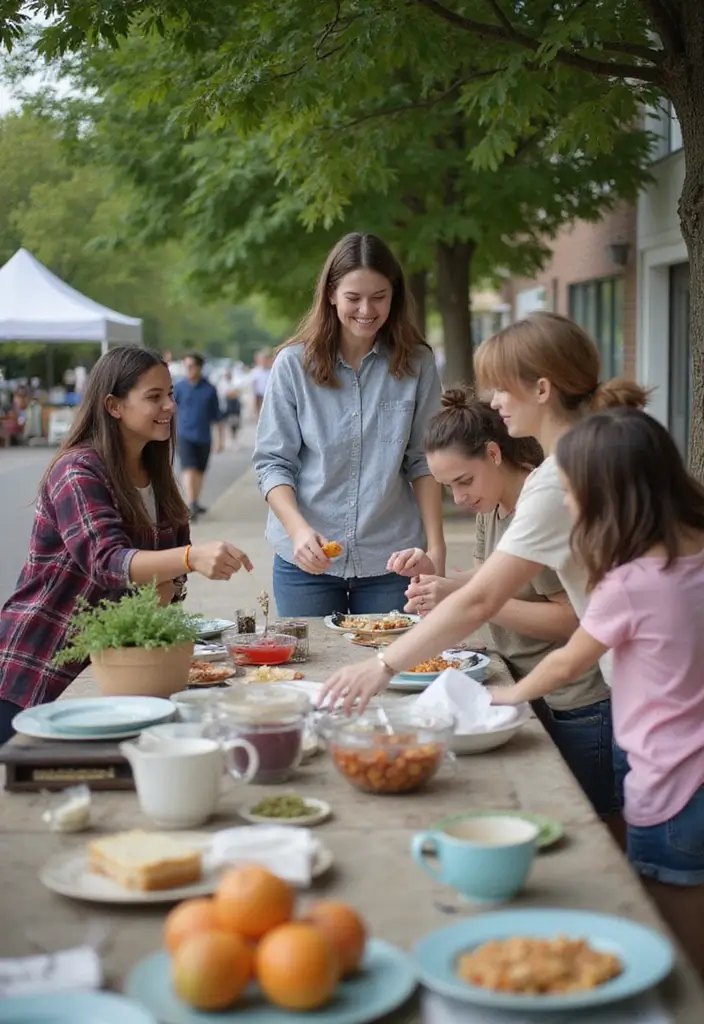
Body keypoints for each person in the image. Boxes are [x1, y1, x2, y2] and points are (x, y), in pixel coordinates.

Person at [321, 312, 648, 817]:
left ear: (542, 389)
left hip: (630, 695)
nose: (493, 401)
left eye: (500, 388)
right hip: (637, 684)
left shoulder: (556, 481)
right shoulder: (599, 453)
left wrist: (384, 664)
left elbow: (485, 598)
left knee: (640, 857)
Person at [489, 409, 704, 973]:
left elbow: (564, 664)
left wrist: (506, 699)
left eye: (569, 493)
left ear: (609, 496)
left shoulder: (628, 585)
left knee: (672, 938)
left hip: (669, 783)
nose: (569, 506)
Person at [0, 347, 252, 745]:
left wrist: (173, 582)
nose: (169, 405)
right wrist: (190, 557)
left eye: (170, 393)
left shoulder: (157, 474)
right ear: (114, 405)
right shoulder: (77, 470)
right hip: (41, 666)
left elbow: (163, 589)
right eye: (154, 397)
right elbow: (106, 561)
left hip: (119, 673)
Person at [253, 231, 445, 618]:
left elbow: (424, 460)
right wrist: (299, 531)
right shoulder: (293, 365)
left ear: (395, 295)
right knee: (309, 673)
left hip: (392, 561)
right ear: (330, 294)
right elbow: (273, 463)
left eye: (379, 297)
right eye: (353, 298)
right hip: (305, 562)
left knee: (389, 669)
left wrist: (436, 547)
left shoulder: (417, 364)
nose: (366, 310)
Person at [174, 353, 222, 520]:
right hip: (184, 435)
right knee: (189, 469)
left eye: (191, 366)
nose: (188, 370)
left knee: (200, 470)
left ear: (199, 367)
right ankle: (191, 503)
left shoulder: (209, 389)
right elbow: (170, 410)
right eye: (186, 366)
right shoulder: (178, 387)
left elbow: (216, 417)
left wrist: (220, 440)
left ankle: (195, 501)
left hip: (203, 436)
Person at [250, 350, 272, 419]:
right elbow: (252, 386)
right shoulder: (255, 372)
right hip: (259, 396)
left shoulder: (272, 371)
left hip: (269, 395)